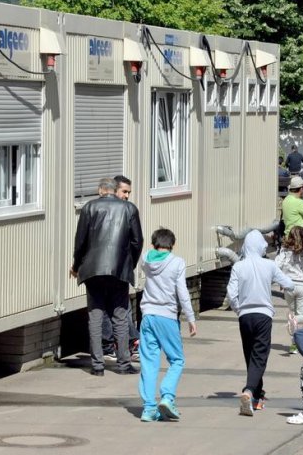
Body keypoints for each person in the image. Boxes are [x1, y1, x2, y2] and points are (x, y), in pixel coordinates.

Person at [71, 178, 144, 376]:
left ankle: (97, 366)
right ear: (114, 191)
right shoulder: (129, 209)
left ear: (100, 190)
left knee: (95, 317)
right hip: (119, 270)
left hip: (93, 270)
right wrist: (130, 264)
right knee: (120, 317)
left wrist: (77, 266)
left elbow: (80, 241)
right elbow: (138, 241)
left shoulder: (89, 207)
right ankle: (123, 364)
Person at [227, 230, 294, 416]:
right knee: (260, 355)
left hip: (245, 316)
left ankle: (257, 395)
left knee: (250, 354)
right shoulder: (269, 265)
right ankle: (249, 391)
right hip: (263, 315)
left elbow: (231, 293)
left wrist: (238, 309)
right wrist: (293, 284)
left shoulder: (238, 267)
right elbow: (288, 284)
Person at [138, 228, 197, 422]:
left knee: (148, 362)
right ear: (172, 245)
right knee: (177, 359)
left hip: (147, 316)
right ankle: (167, 396)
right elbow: (182, 291)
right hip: (167, 316)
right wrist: (191, 318)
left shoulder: (146, 259)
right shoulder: (177, 262)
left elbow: (145, 254)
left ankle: (148, 408)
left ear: (154, 244)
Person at [102, 175, 141, 362]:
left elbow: (136, 241)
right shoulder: (106, 210)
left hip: (118, 267)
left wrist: (130, 263)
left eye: (128, 193)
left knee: (118, 307)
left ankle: (126, 342)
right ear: (114, 190)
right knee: (116, 307)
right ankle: (123, 343)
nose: (126, 196)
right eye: (124, 191)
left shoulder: (128, 210)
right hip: (107, 267)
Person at [274, 226, 303, 353]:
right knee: (301, 315)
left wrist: (282, 279)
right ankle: (296, 326)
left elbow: (277, 265)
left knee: (292, 313)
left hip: (289, 286)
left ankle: (294, 345)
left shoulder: (285, 250)